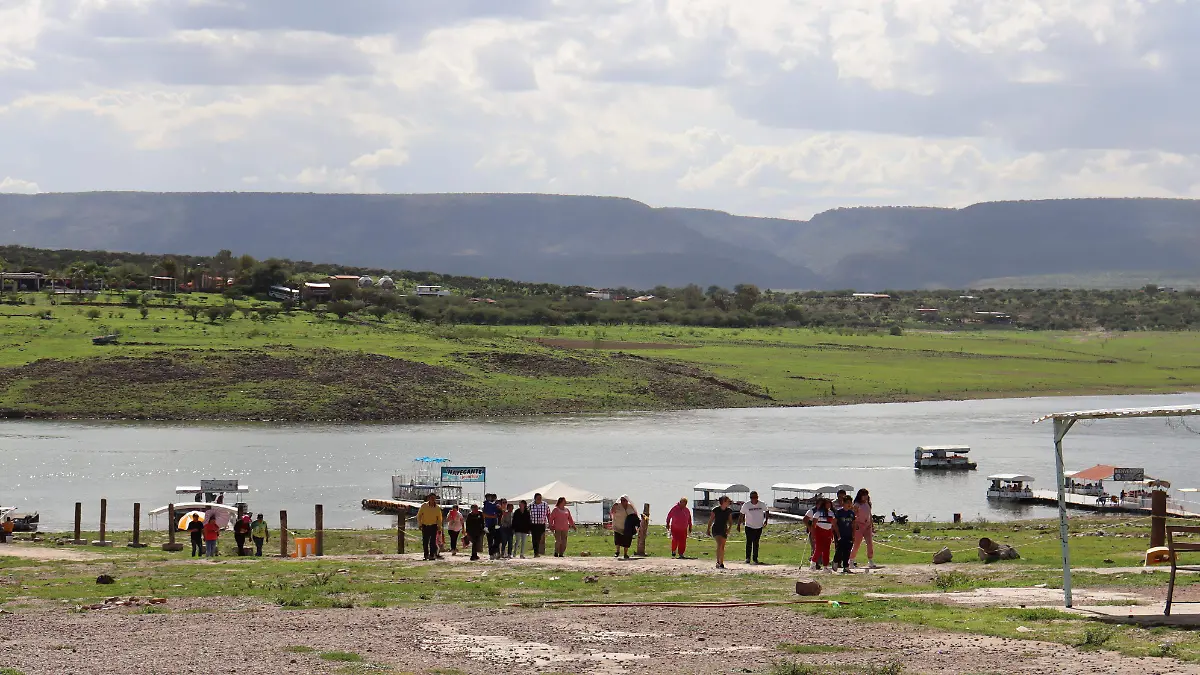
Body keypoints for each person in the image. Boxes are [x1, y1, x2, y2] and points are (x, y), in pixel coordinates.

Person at [850, 488, 878, 569]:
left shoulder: (868, 504)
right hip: (859, 525)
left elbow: (870, 515)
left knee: (869, 543)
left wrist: (872, 526)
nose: (866, 497)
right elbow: (853, 516)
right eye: (864, 495)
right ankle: (851, 560)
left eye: (867, 495)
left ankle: (870, 560)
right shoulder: (856, 505)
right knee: (857, 544)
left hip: (867, 526)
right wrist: (855, 525)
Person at [739, 490, 769, 564]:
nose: (754, 499)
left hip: (759, 526)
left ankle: (755, 558)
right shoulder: (746, 505)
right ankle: (747, 558)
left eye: (755, 497)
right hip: (749, 526)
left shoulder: (761, 504)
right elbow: (741, 514)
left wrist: (766, 520)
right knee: (749, 542)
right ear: (750, 498)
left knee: (756, 543)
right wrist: (739, 524)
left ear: (757, 497)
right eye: (752, 497)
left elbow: (767, 511)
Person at [706, 495, 734, 569]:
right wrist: (708, 529)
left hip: (724, 529)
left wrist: (729, 529)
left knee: (722, 546)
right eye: (728, 501)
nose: (729, 502)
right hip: (716, 529)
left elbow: (730, 522)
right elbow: (711, 520)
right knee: (720, 544)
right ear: (723, 502)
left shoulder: (729, 511)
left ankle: (721, 562)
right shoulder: (715, 510)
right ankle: (719, 562)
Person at [809, 497, 836, 571]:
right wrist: (813, 534)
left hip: (828, 532)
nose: (829, 505)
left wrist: (833, 533)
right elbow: (813, 524)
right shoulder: (818, 513)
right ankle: (813, 562)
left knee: (827, 549)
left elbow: (833, 524)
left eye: (829, 503)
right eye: (827, 503)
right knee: (818, 548)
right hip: (819, 531)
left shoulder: (831, 513)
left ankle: (825, 566)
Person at [610, 495, 640, 560]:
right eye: (621, 500)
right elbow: (612, 512)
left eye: (624, 500)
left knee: (627, 540)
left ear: (627, 501)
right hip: (618, 525)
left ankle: (625, 554)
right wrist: (613, 507)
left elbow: (634, 515)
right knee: (617, 539)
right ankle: (617, 552)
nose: (623, 502)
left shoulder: (630, 507)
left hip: (628, 527)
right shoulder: (617, 506)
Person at [832, 496, 856, 573]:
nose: (849, 504)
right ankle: (835, 561)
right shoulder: (839, 512)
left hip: (848, 534)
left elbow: (853, 524)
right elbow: (834, 524)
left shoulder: (851, 513)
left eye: (850, 503)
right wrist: (838, 534)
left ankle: (846, 566)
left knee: (847, 551)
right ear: (843, 503)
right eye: (847, 503)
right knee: (840, 550)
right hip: (840, 534)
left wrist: (853, 535)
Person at [417, 494, 444, 561]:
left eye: (434, 498)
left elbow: (439, 518)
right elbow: (419, 515)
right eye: (431, 498)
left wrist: (439, 527)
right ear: (428, 498)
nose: (432, 499)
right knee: (425, 541)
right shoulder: (424, 506)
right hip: (425, 525)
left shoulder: (437, 508)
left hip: (433, 526)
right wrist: (420, 524)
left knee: (432, 542)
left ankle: (432, 555)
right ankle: (426, 555)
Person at [528, 493, 549, 557]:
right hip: (533, 524)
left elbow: (548, 513)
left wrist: (549, 522)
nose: (539, 499)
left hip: (542, 524)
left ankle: (540, 551)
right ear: (535, 498)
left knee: (540, 538)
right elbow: (527, 515)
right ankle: (536, 552)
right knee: (534, 538)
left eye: (540, 498)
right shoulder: (530, 505)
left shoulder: (545, 504)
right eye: (538, 498)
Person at [482, 493, 500, 560]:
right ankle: (491, 554)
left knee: (496, 540)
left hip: (494, 524)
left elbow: (498, 512)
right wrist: (492, 516)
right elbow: (484, 514)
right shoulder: (486, 504)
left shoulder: (494, 504)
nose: (490, 498)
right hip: (488, 524)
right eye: (489, 497)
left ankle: (495, 552)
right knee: (490, 540)